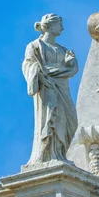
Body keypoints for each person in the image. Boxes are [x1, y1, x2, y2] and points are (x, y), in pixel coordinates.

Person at [22, 13, 78, 165]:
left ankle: (59, 153)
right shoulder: (34, 46)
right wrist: (41, 72)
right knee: (49, 119)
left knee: (71, 122)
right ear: (51, 26)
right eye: (60, 24)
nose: (63, 28)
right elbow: (29, 66)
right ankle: (47, 156)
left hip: (62, 89)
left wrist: (70, 63)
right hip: (47, 88)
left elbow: (71, 70)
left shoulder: (63, 50)